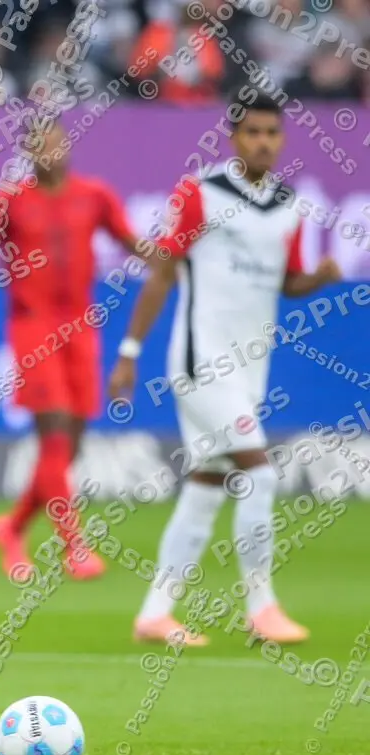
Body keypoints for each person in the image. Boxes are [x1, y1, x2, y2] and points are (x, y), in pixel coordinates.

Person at [108, 89, 342, 646]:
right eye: (253, 132)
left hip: (248, 370)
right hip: (202, 363)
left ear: (282, 141)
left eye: (272, 133)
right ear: (234, 138)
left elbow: (287, 283)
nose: (263, 142)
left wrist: (321, 279)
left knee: (209, 483)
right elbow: (164, 273)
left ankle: (154, 613)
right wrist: (129, 353)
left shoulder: (288, 206)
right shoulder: (202, 194)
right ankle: (261, 607)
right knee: (259, 472)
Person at [0, 118, 145, 581]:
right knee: (55, 427)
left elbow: (132, 242)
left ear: (66, 145)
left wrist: (180, 259)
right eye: (39, 147)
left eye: (55, 143)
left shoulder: (94, 195)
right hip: (34, 327)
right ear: (27, 154)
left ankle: (13, 528)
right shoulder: (10, 201)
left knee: (71, 443)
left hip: (81, 327)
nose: (50, 153)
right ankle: (74, 545)